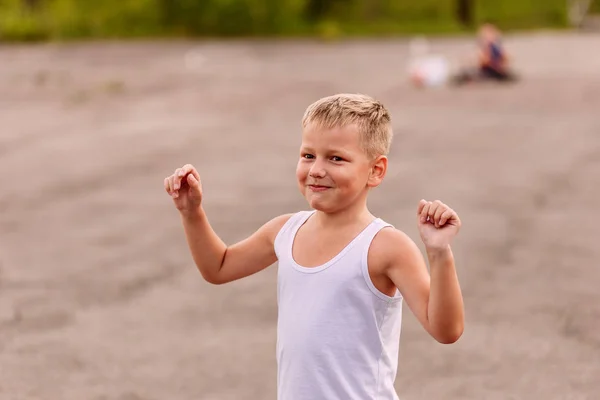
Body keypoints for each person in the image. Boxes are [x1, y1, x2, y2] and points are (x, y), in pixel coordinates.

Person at [163, 93, 465, 400]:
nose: (316, 169)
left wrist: (439, 253)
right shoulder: (285, 230)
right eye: (308, 155)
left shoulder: (385, 246)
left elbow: (446, 329)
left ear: (376, 170)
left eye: (336, 158)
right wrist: (192, 212)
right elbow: (219, 266)